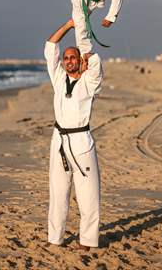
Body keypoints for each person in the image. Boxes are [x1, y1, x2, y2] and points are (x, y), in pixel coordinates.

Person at [44, 18, 103, 250]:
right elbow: (50, 46)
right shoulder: (59, 79)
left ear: (80, 61)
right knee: (58, 193)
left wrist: (82, 30)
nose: (68, 61)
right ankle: (54, 239)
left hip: (81, 142)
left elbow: (95, 62)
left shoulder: (90, 81)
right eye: (66, 58)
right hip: (58, 140)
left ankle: (87, 241)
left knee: (88, 195)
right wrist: (69, 25)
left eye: (73, 58)